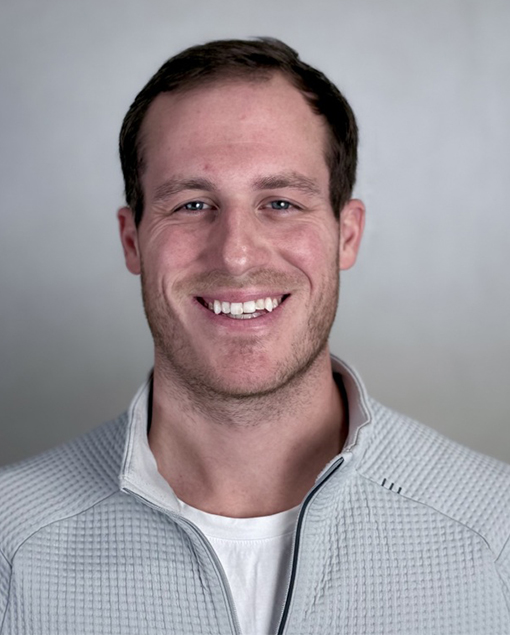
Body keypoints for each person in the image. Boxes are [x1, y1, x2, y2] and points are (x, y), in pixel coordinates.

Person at [0, 38, 509, 635]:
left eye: (281, 203)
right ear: (132, 241)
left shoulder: (496, 534)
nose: (236, 255)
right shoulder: (11, 547)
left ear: (347, 235)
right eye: (192, 205)